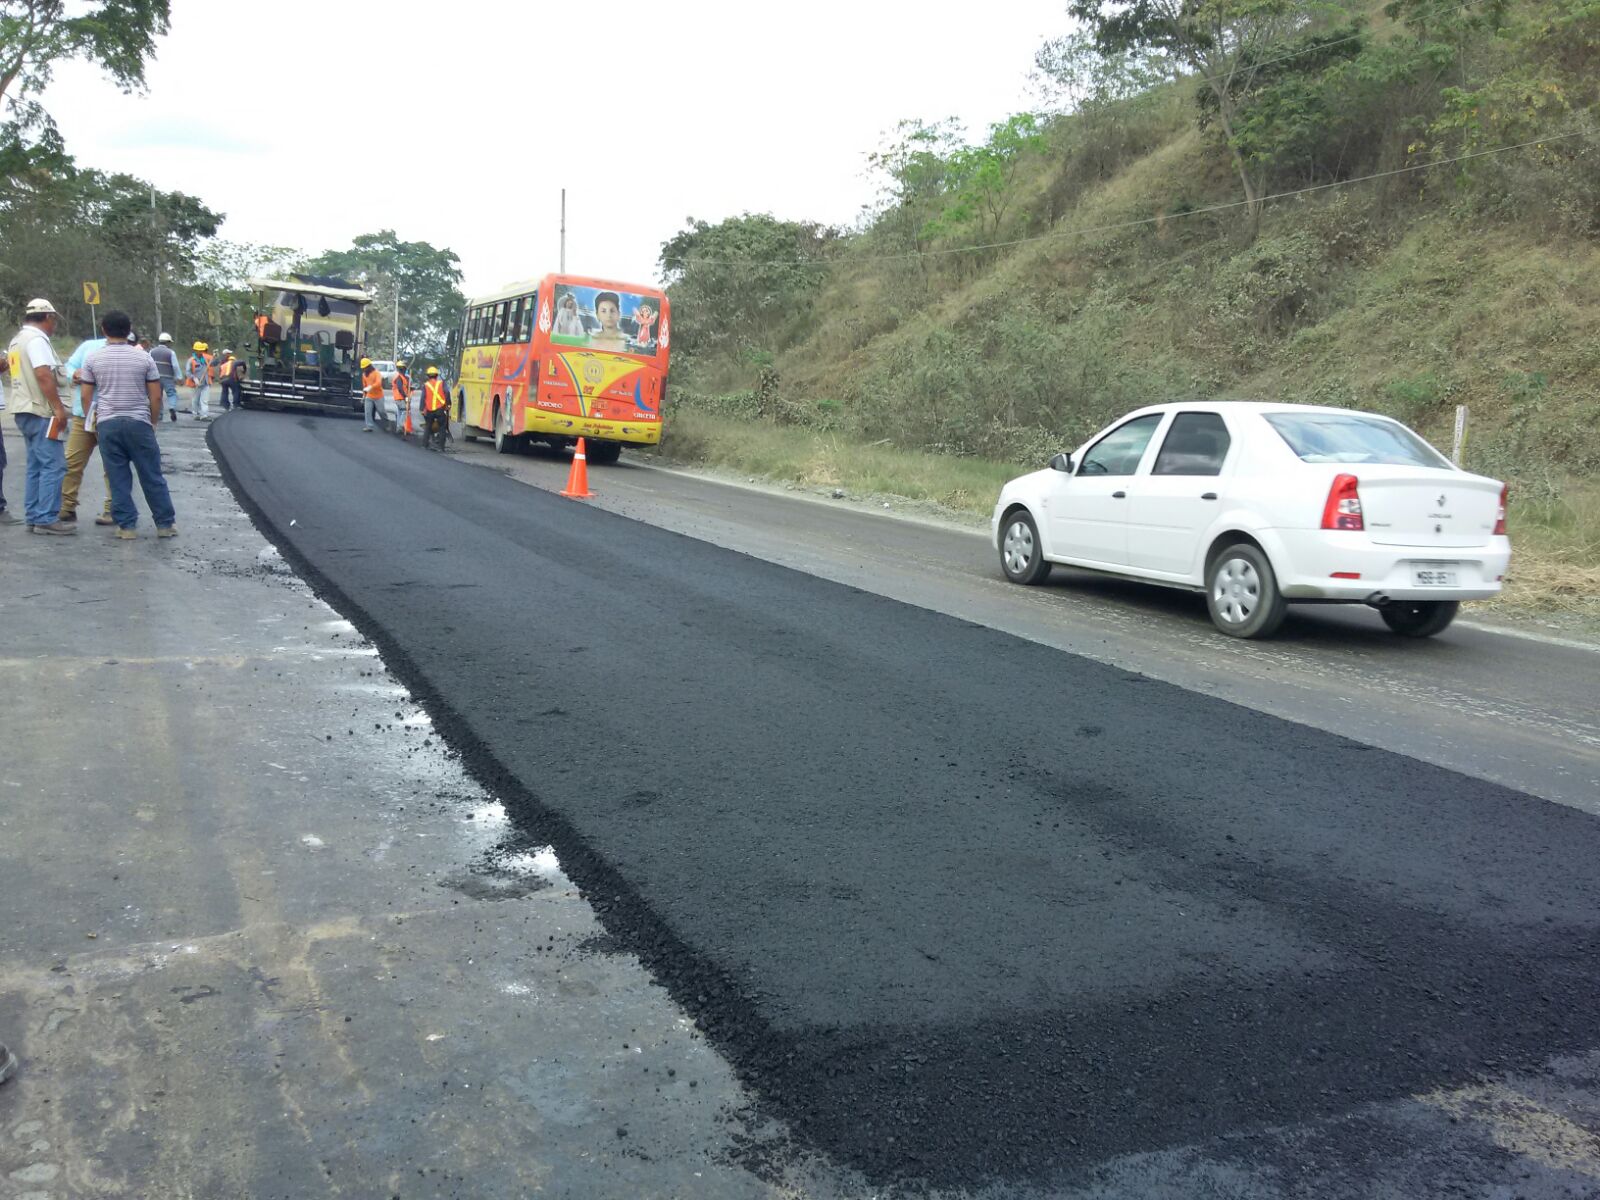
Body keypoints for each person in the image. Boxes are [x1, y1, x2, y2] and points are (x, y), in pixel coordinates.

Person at [79, 310, 175, 539]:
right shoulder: (144, 358)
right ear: (129, 329)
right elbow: (156, 396)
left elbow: (86, 396)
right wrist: (152, 422)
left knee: (117, 476)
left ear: (103, 330)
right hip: (138, 423)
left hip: (108, 424)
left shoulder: (93, 359)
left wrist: (92, 419)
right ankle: (165, 525)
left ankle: (126, 527)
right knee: (151, 474)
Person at [5, 298, 75, 535]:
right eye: (53, 320)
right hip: (42, 410)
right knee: (54, 466)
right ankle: (45, 517)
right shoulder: (37, 341)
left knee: (36, 465)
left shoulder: (17, 341)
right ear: (48, 318)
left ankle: (34, 515)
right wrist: (58, 409)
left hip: (24, 409)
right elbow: (43, 374)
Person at [59, 324, 113, 527]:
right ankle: (66, 507)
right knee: (71, 462)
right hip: (84, 416)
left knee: (112, 466)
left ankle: (112, 509)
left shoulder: (128, 352)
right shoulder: (89, 346)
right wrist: (74, 374)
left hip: (109, 415)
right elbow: (68, 366)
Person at [151, 332, 181, 422]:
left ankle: (159, 415)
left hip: (155, 377)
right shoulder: (171, 352)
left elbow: (148, 363)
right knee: (171, 393)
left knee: (157, 396)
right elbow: (175, 366)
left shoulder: (152, 351)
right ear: (167, 342)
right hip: (167, 377)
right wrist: (179, 377)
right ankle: (172, 407)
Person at [421, 365, 450, 451]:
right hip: (440, 409)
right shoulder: (441, 383)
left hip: (429, 410)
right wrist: (448, 404)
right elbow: (447, 393)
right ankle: (441, 447)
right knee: (442, 428)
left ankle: (424, 445)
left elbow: (423, 397)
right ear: (436, 375)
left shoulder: (426, 385)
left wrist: (422, 409)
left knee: (428, 427)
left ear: (428, 376)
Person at [186, 341, 211, 419]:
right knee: (195, 400)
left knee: (204, 400)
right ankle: (195, 414)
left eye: (202, 350)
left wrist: (216, 357)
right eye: (199, 350)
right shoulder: (191, 360)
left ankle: (204, 415)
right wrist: (194, 378)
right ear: (195, 350)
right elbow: (187, 372)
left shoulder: (205, 359)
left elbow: (213, 363)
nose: (201, 352)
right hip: (195, 384)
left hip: (205, 382)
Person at [360, 357, 382, 431]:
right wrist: (364, 395)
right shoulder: (364, 375)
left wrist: (371, 387)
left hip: (378, 396)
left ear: (369, 366)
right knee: (367, 412)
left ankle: (386, 423)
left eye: (365, 368)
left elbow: (378, 383)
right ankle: (369, 426)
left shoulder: (376, 373)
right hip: (369, 396)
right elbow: (364, 386)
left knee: (381, 411)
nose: (364, 369)